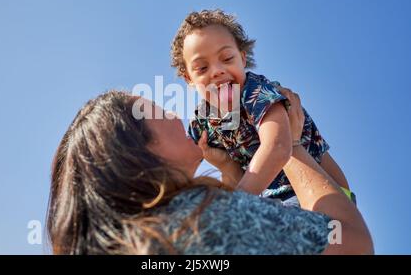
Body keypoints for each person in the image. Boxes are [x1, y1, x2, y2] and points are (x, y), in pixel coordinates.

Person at [47, 88, 373, 254]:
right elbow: (352, 244)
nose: (175, 115)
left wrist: (229, 168)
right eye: (159, 112)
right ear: (139, 150)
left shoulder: (150, 240)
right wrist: (290, 144)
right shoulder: (197, 218)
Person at [171, 9, 354, 206]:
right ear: (189, 78)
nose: (217, 71)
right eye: (203, 68)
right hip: (275, 198)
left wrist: (236, 204)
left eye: (226, 59)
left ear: (242, 59)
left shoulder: (257, 91)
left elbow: (278, 147)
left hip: (325, 190)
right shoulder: (203, 122)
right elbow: (181, 163)